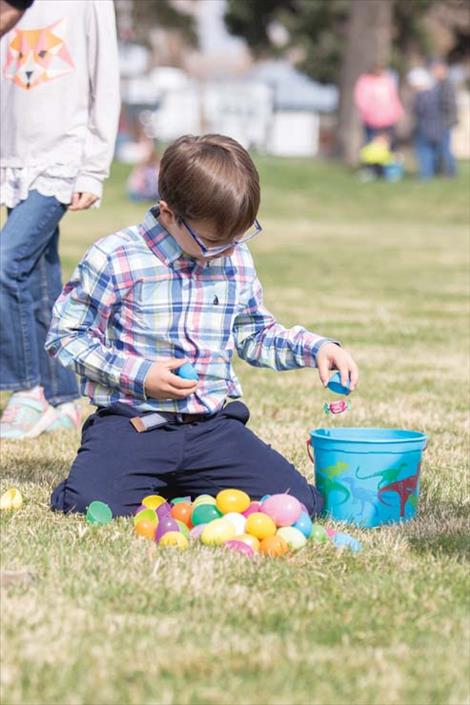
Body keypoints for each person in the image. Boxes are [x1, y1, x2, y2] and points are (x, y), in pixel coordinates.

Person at [45, 134, 359, 518]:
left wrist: (317, 349)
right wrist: (141, 375)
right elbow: (66, 336)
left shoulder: (234, 258)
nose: (227, 250)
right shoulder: (116, 257)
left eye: (237, 237)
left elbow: (255, 334)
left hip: (210, 430)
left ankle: (180, 484)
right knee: (90, 505)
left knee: (299, 504)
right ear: (168, 213)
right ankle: (124, 479)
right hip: (135, 424)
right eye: (213, 240)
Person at [0, 0, 120, 439]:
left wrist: (92, 167)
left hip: (60, 160)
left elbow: (105, 83)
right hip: (14, 159)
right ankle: (60, 395)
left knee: (6, 263)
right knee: (39, 276)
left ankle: (25, 388)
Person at [354, 63, 403, 146]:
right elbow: (361, 100)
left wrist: (398, 111)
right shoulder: (365, 82)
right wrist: (367, 112)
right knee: (372, 141)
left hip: (388, 118)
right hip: (371, 119)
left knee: (390, 141)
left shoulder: (387, 81)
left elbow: (393, 98)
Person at [408, 67, 443, 180]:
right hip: (436, 127)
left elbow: (418, 111)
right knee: (433, 152)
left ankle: (425, 175)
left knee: (424, 152)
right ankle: (433, 172)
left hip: (424, 128)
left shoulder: (420, 96)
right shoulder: (434, 93)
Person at [430, 58, 458, 177]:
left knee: (445, 148)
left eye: (436, 70)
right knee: (442, 148)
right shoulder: (438, 84)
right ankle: (443, 170)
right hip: (441, 122)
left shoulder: (446, 85)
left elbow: (448, 105)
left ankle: (450, 172)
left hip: (444, 122)